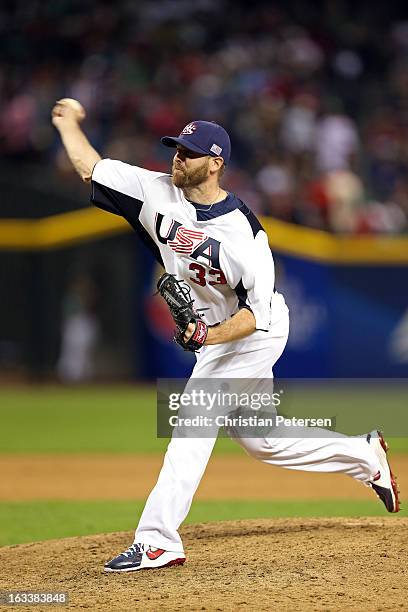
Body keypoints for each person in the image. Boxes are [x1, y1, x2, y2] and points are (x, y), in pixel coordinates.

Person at [51, 101, 400, 573]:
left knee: (192, 420)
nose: (178, 158)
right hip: (222, 332)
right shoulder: (153, 191)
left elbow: (255, 317)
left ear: (215, 163)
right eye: (176, 149)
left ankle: (157, 541)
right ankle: (363, 453)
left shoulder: (243, 235)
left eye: (190, 153)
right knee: (263, 440)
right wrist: (68, 125)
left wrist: (207, 334)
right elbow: (91, 170)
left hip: (256, 331)